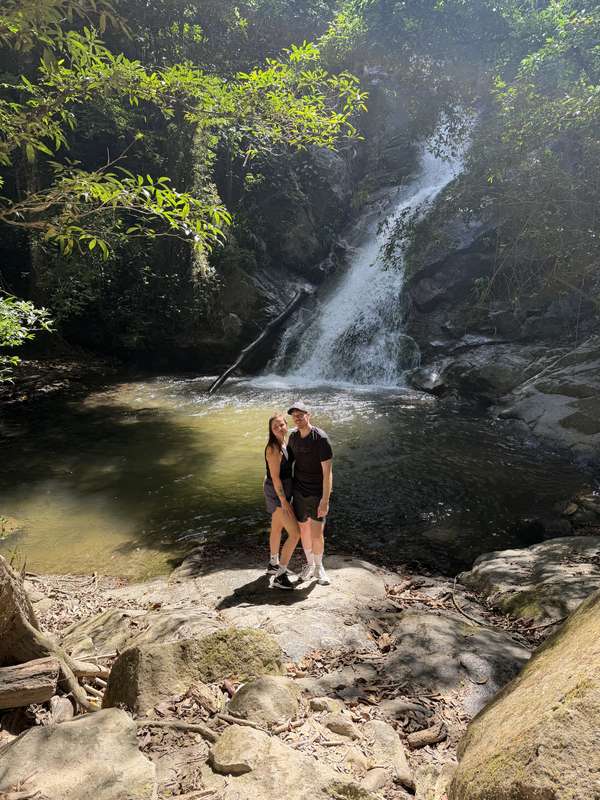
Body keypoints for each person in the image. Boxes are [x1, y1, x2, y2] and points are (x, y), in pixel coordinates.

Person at [287, 401, 333, 586]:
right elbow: (287, 463)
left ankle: (319, 567)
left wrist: (325, 500)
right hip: (299, 491)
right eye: (294, 416)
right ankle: (310, 564)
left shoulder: (320, 439)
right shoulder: (293, 438)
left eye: (301, 414)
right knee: (303, 529)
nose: (297, 418)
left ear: (309, 415)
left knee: (316, 533)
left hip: (316, 492)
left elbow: (328, 472)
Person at [263, 412, 301, 589]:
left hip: (283, 489)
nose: (279, 428)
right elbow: (276, 478)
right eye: (275, 426)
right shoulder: (273, 448)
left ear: (286, 425)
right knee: (295, 533)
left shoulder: (285, 441)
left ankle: (273, 563)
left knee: (277, 526)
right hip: (277, 492)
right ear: (271, 430)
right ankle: (280, 575)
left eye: (282, 424)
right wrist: (284, 501)